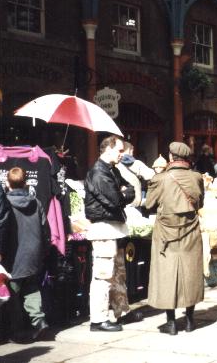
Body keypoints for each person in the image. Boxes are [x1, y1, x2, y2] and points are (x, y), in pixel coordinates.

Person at [145, 142, 205, 335]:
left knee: (166, 275)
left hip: (165, 234)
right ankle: (189, 321)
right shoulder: (197, 177)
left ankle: (171, 323)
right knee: (191, 273)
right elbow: (200, 203)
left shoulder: (160, 179)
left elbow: (149, 204)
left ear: (170, 157)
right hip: (190, 232)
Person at [83, 135, 136, 332]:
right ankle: (98, 320)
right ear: (108, 149)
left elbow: (130, 189)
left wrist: (124, 192)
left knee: (118, 274)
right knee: (103, 275)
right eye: (119, 150)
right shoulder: (98, 172)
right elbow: (115, 199)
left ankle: (122, 311)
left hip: (114, 227)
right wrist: (123, 193)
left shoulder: (111, 170)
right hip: (103, 228)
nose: (122, 154)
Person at [0, 168, 49, 341]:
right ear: (26, 183)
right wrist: (43, 250)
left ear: (7, 183)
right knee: (31, 289)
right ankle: (39, 321)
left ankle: (17, 331)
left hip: (13, 256)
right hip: (33, 255)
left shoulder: (5, 204)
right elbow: (45, 229)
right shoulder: (36, 202)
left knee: (13, 294)